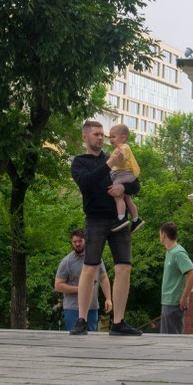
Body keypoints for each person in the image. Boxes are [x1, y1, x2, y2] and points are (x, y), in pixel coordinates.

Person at [69, 120, 142, 336]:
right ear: (85, 137)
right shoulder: (80, 162)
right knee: (90, 267)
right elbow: (87, 183)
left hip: (119, 220)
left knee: (124, 267)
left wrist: (123, 186)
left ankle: (118, 322)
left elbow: (135, 184)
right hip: (95, 219)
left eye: (103, 134)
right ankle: (81, 320)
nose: (101, 138)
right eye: (96, 134)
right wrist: (109, 164)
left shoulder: (118, 155)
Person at [55, 228, 112, 331]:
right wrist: (81, 289)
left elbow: (103, 278)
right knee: (75, 342)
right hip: (73, 308)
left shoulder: (96, 258)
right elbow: (58, 285)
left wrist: (108, 298)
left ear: (85, 240)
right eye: (74, 242)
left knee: (91, 341)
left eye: (80, 241)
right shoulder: (67, 261)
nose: (77, 244)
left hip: (92, 307)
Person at [159, 221, 193, 334]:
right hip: (167, 301)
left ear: (164, 234)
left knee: (171, 338)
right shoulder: (170, 252)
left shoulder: (178, 253)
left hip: (174, 303)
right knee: (166, 337)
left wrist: (184, 296)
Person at [107, 124, 144, 234]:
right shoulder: (121, 148)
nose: (111, 140)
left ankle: (121, 219)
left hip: (123, 174)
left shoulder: (123, 147)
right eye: (110, 137)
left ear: (123, 138)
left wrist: (118, 157)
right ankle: (136, 219)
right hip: (125, 174)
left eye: (113, 137)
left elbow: (122, 157)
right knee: (127, 198)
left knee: (118, 196)